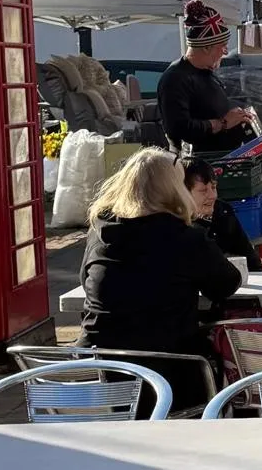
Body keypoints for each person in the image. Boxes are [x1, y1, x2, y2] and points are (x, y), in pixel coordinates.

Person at [78, 146, 242, 413]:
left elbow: (85, 280)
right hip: (169, 375)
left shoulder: (100, 231)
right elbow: (226, 284)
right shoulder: (186, 238)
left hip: (101, 373)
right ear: (175, 189)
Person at [158, 0, 254, 154]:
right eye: (222, 46)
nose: (224, 52)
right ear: (206, 48)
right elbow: (179, 128)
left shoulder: (206, 72)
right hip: (197, 164)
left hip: (224, 158)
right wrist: (223, 123)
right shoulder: (175, 78)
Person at [182, 156, 262, 272]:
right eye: (203, 190)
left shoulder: (223, 212)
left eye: (213, 187)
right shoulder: (174, 223)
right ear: (184, 193)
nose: (212, 196)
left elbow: (249, 259)